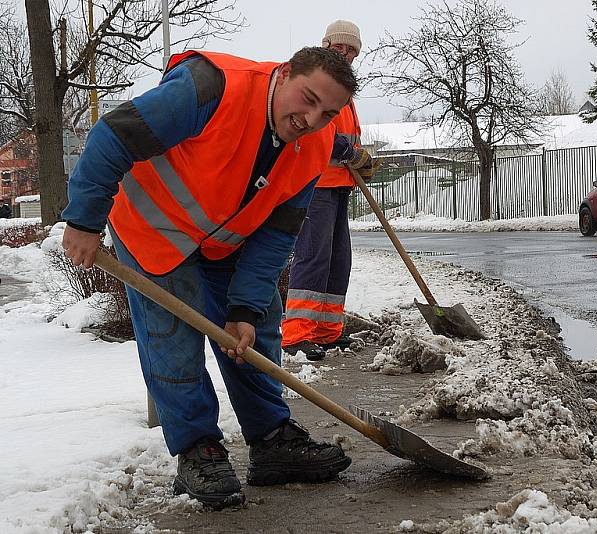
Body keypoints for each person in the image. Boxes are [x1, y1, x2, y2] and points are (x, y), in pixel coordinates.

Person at [61, 47, 363, 509]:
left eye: (327, 113)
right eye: (307, 98)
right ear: (283, 74)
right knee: (174, 340)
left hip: (226, 239)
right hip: (153, 225)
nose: (311, 118)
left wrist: (242, 309)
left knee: (255, 328)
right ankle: (198, 450)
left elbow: (276, 237)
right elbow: (115, 135)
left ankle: (271, 441)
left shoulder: (316, 146)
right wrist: (84, 221)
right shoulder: (211, 87)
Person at [281, 20, 376, 361]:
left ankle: (326, 332)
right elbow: (319, 130)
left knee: (338, 260)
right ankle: (296, 335)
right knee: (314, 257)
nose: (346, 53)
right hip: (315, 183)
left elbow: (347, 135)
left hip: (339, 186)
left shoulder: (346, 89)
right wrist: (353, 154)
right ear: (327, 44)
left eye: (352, 49)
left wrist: (360, 160)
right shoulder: (320, 79)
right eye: (341, 47)